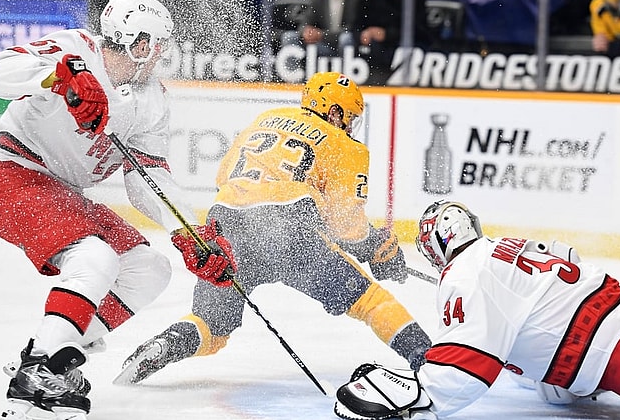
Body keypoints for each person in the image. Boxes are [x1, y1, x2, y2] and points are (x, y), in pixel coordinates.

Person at [0, 0, 234, 420]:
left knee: (149, 269)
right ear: (133, 40)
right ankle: (39, 369)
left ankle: (48, 351)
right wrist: (59, 76)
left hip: (66, 196)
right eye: (152, 44)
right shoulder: (75, 49)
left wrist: (189, 232)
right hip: (15, 178)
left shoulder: (151, 100)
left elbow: (146, 177)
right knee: (95, 257)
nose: (158, 55)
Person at [113, 71, 433, 387]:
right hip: (287, 229)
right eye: (348, 118)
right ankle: (429, 360)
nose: (349, 126)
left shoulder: (268, 118)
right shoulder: (345, 146)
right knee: (371, 302)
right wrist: (377, 248)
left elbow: (224, 176)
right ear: (333, 111)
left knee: (212, 328)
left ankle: (168, 343)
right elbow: (345, 225)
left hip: (225, 223)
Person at [334, 201, 620, 420]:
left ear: (435, 246)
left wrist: (423, 396)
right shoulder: (507, 246)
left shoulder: (464, 274)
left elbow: (469, 361)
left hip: (607, 349)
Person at [354, 0, 432, 80]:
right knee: (349, 42)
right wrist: (363, 34)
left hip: (403, 45)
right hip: (374, 45)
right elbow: (356, 25)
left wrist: (387, 34)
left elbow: (420, 29)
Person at [281, 0, 362, 57]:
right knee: (289, 37)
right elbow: (306, 22)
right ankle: (295, 69)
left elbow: (354, 27)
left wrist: (323, 35)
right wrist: (306, 32)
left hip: (346, 44)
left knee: (346, 38)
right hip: (323, 45)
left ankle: (347, 68)